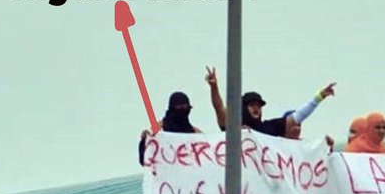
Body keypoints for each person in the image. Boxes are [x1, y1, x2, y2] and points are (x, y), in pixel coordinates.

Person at [205, 66, 336, 137]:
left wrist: (318, 97)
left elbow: (297, 118)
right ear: (243, 108)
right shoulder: (233, 128)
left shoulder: (269, 128)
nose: (256, 108)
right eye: (252, 105)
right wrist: (214, 87)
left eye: (259, 106)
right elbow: (219, 108)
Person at [138, 91, 202, 165]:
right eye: (180, 107)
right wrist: (145, 139)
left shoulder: (195, 132)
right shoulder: (159, 128)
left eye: (186, 107)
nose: (184, 110)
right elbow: (145, 155)